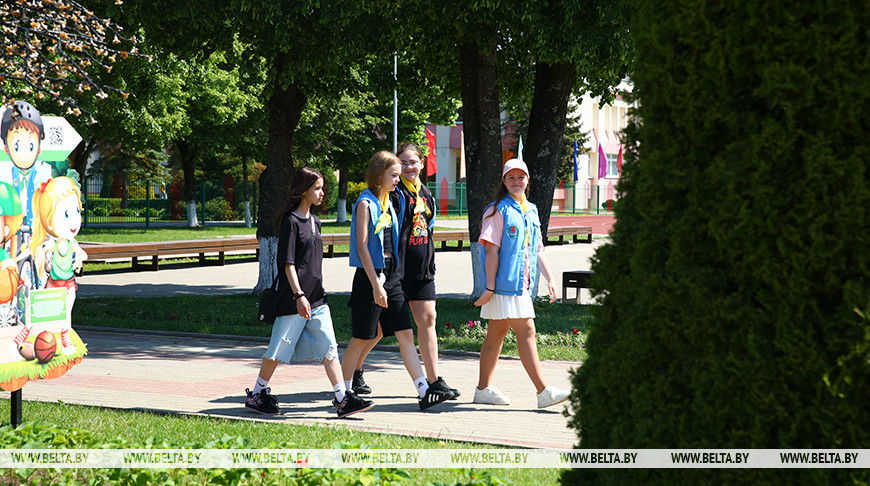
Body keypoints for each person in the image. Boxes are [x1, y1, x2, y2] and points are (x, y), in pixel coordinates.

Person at [245, 167, 373, 419]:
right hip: (295, 299)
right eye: (317, 188)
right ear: (303, 191)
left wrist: (311, 294)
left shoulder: (315, 222)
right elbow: (288, 264)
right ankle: (257, 393)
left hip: (317, 298)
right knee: (278, 349)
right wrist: (298, 295)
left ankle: (342, 399)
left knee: (330, 348)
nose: (322, 193)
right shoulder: (291, 222)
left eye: (322, 188)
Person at [340, 151, 454, 410]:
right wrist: (376, 284)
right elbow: (362, 247)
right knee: (361, 337)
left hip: (391, 277)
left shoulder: (389, 203)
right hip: (371, 278)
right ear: (379, 174)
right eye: (393, 174)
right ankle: (343, 393)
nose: (397, 179)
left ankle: (424, 391)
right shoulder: (365, 204)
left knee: (405, 333)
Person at [473, 159, 570, 409]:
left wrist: (550, 279)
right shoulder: (496, 210)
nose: (516, 182)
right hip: (504, 286)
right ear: (504, 181)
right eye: (511, 177)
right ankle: (543, 391)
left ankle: (483, 389)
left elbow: (537, 248)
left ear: (528, 180)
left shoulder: (531, 210)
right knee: (526, 332)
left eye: (521, 177)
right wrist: (490, 288)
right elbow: (491, 252)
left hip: (520, 286)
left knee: (495, 336)